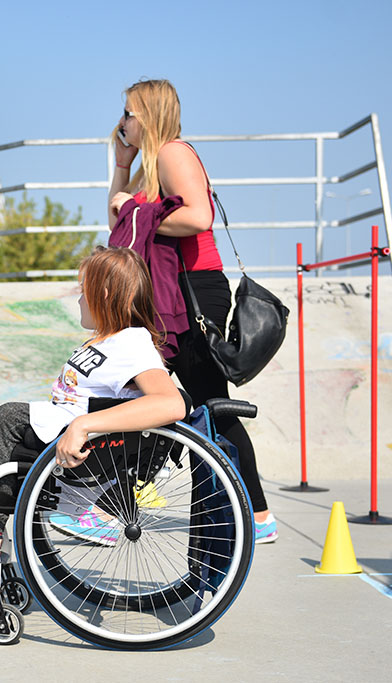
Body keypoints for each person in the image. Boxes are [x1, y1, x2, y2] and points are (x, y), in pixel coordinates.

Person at [0, 247, 187, 555]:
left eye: (84, 290)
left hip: (92, 446)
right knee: (12, 421)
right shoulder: (111, 340)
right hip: (66, 430)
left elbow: (171, 403)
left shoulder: (132, 342)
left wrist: (83, 425)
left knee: (10, 418)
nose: (79, 299)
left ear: (104, 294)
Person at [108, 78, 277, 543]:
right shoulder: (147, 166)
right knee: (150, 392)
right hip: (164, 289)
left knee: (204, 401)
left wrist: (141, 211)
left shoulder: (173, 153)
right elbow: (118, 223)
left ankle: (258, 516)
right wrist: (121, 170)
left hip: (192, 289)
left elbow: (198, 217)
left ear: (148, 115)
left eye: (128, 114)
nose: (121, 123)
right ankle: (119, 498)